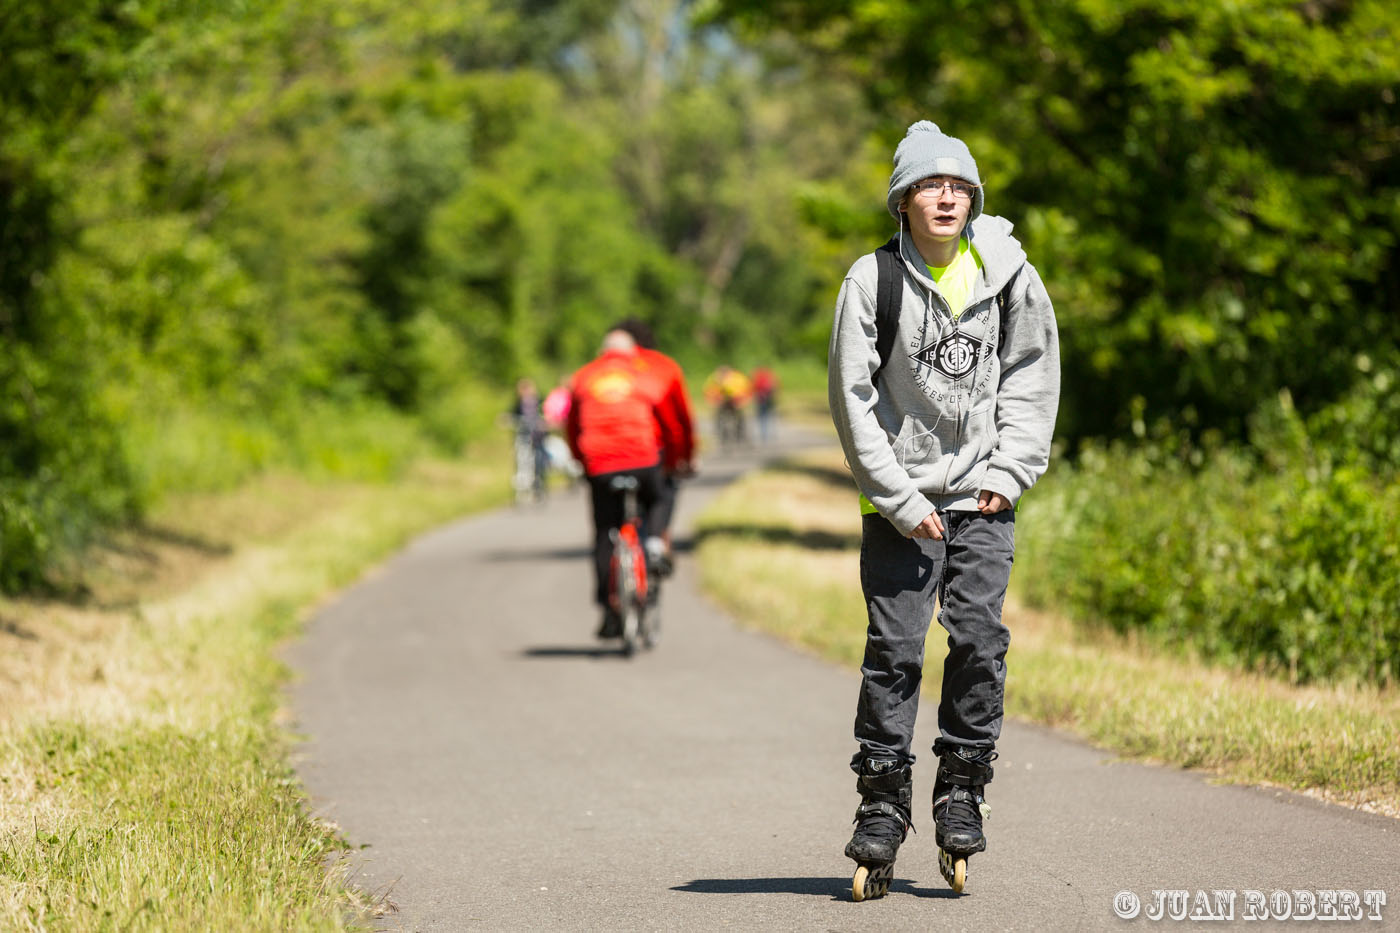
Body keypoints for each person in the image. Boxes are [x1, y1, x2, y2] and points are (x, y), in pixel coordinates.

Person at [827, 120, 1060, 897]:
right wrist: (897, 496)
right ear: (903, 200)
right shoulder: (873, 279)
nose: (947, 197)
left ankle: (961, 786)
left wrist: (1013, 468)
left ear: (973, 198)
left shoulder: (1010, 275)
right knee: (894, 650)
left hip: (984, 494)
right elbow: (851, 398)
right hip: (900, 502)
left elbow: (1032, 373)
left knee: (980, 640)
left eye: (959, 185)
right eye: (931, 184)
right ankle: (883, 804)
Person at [566, 328, 687, 638]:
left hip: (601, 466)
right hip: (644, 460)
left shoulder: (583, 377)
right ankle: (656, 544)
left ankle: (609, 610)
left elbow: (572, 426)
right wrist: (675, 461)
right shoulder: (644, 375)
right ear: (632, 352)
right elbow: (671, 425)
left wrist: (583, 463)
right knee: (659, 498)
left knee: (604, 534)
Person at [613, 317, 696, 574]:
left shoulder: (604, 369)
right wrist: (682, 458)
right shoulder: (663, 367)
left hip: (609, 454)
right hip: (651, 449)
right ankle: (656, 541)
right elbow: (680, 421)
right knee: (665, 490)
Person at [508, 378, 547, 502]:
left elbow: (547, 415)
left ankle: (539, 487)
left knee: (539, 462)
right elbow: (511, 416)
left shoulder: (540, 402)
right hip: (523, 438)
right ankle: (522, 490)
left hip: (538, 438)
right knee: (522, 462)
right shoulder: (518, 404)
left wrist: (544, 422)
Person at [750, 365, 778, 443]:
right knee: (770, 415)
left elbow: (753, 388)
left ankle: (763, 435)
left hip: (760, 400)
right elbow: (775, 387)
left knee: (762, 417)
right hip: (770, 399)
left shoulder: (757, 377)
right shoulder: (770, 376)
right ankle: (772, 433)